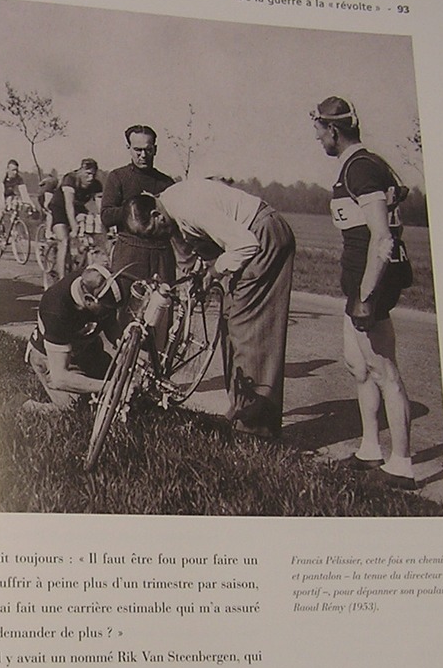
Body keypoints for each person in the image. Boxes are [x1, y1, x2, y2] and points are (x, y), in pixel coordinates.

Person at [124, 179, 294, 439]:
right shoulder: (172, 206)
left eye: (149, 232)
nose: (152, 239)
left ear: (157, 215)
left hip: (263, 235)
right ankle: (242, 410)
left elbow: (246, 245)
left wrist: (213, 272)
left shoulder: (187, 208)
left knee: (249, 330)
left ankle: (256, 430)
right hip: (252, 236)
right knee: (231, 326)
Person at [311, 95, 417, 489]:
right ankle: (371, 449)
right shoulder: (357, 167)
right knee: (358, 366)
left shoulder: (361, 169)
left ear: (333, 130)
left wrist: (367, 295)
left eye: (320, 132)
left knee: (384, 370)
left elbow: (383, 240)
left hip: (370, 282)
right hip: (356, 280)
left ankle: (402, 464)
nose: (319, 140)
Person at [22, 263, 124, 413]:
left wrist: (131, 353)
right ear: (89, 299)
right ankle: (27, 406)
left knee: (129, 391)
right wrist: (111, 387)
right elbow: (60, 377)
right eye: (107, 308)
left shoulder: (94, 280)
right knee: (73, 407)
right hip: (51, 357)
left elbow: (111, 325)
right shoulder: (55, 308)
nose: (111, 312)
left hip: (85, 348)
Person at [100, 125, 176, 287]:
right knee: (125, 306)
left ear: (155, 149)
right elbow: (106, 216)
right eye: (137, 150)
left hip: (162, 255)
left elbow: (176, 222)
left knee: (162, 306)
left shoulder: (166, 182)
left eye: (148, 150)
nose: (143, 155)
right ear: (128, 148)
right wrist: (136, 207)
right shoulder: (118, 177)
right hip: (130, 252)